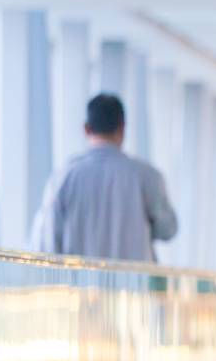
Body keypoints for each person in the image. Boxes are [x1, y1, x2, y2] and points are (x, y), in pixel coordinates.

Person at [30, 94, 177, 262]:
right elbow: (168, 230)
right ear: (122, 128)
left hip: (77, 286)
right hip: (134, 285)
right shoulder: (147, 176)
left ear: (86, 128)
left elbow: (46, 243)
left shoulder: (64, 177)